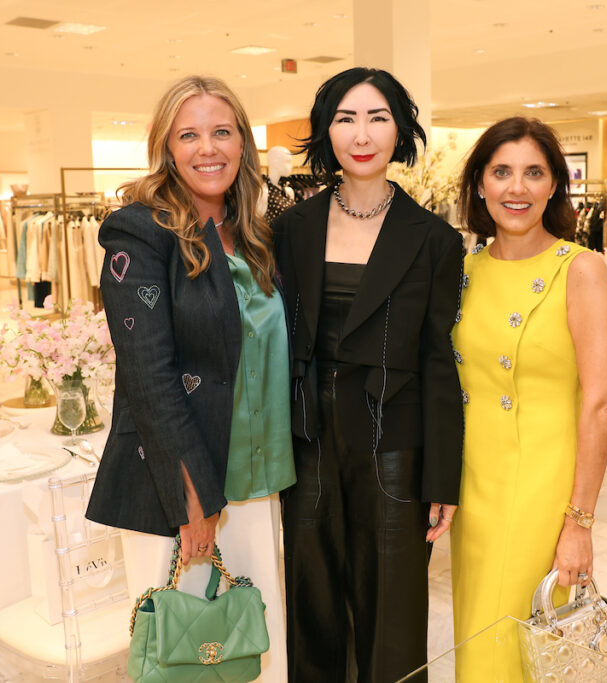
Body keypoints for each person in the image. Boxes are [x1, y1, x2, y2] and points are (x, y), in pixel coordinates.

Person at [85, 75, 294, 681]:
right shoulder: (141, 232)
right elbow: (149, 373)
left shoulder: (254, 233)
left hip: (256, 477)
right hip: (182, 481)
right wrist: (193, 497)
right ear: (167, 147)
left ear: (243, 144)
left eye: (222, 132)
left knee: (251, 643)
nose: (209, 148)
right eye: (190, 134)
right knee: (182, 652)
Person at [272, 67, 464, 682]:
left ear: (400, 130)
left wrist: (443, 477)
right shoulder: (290, 228)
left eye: (378, 117)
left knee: (392, 602)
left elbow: (440, 360)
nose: (362, 134)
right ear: (326, 131)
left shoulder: (433, 238)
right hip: (308, 441)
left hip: (393, 443)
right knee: (313, 594)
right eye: (346, 118)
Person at [449, 117, 607, 681]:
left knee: (516, 644)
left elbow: (600, 403)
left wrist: (579, 523)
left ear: (554, 186)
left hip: (541, 494)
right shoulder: (464, 271)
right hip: (474, 490)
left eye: (533, 173)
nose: (515, 188)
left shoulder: (582, 271)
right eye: (501, 172)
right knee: (480, 636)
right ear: (479, 184)